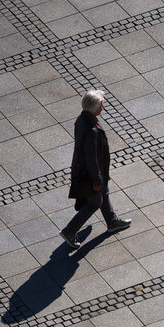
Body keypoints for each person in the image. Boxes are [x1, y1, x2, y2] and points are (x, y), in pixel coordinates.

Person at [60, 90, 131, 248]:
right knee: (94, 202)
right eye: (101, 104)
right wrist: (97, 179)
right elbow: (91, 159)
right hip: (91, 173)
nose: (103, 106)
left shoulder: (82, 119)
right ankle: (69, 231)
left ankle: (112, 222)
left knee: (103, 192)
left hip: (86, 169)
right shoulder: (92, 131)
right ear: (95, 108)